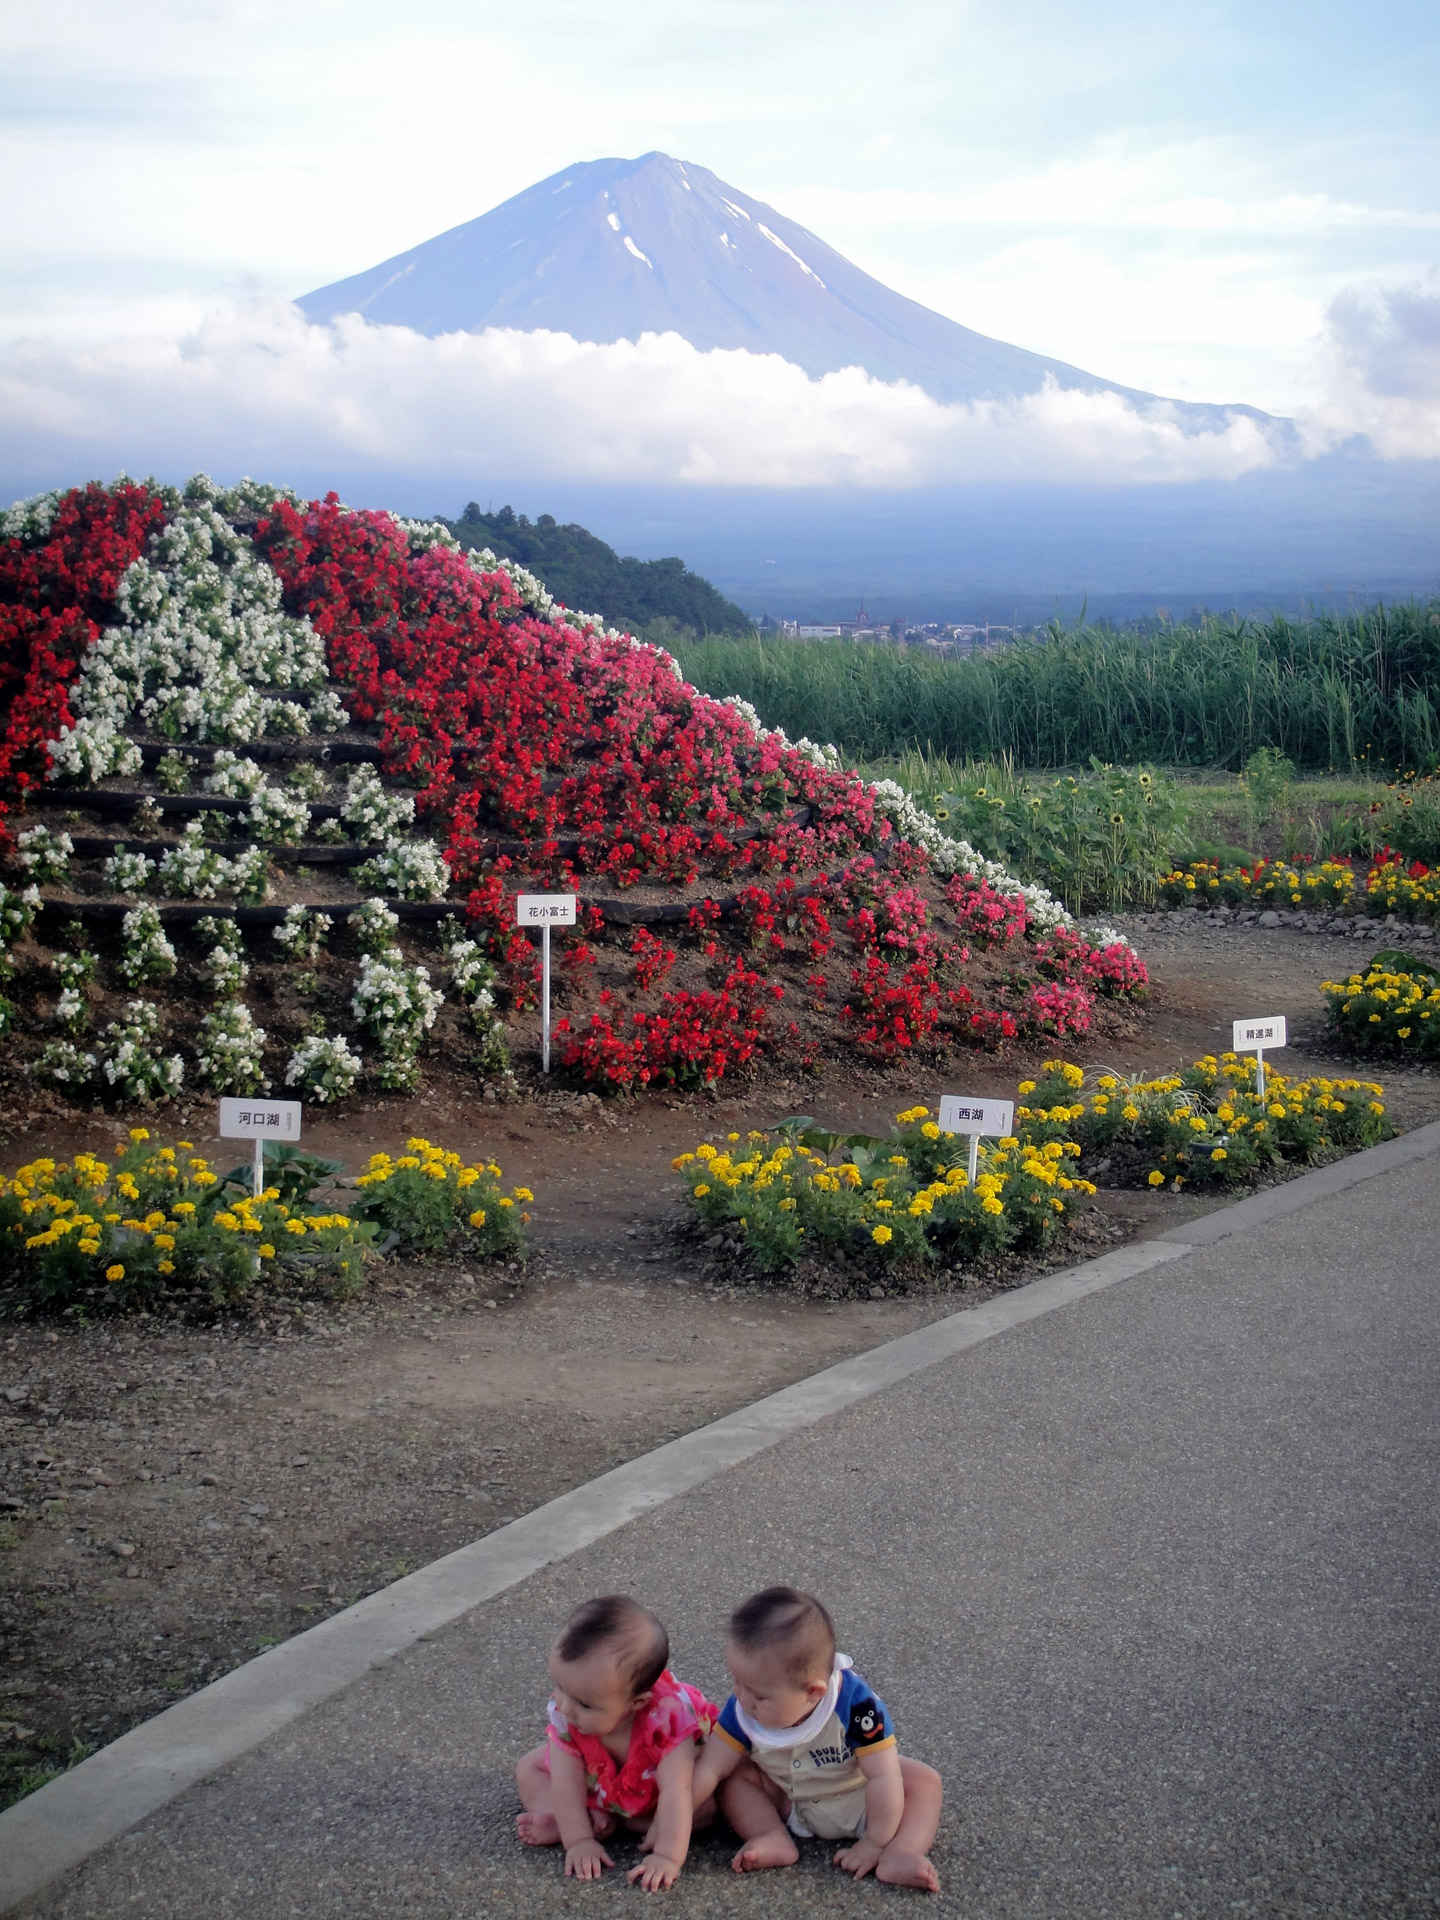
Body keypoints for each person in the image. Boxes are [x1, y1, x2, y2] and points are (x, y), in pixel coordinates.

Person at [692, 1584, 942, 1891]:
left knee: (924, 1783)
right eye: (736, 1681)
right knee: (732, 1776)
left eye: (757, 1694)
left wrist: (875, 1841)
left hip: (860, 1801)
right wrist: (672, 1819)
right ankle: (770, 1834)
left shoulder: (856, 1705)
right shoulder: (743, 1707)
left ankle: (901, 1851)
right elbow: (709, 1768)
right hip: (787, 1799)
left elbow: (883, 1777)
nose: (740, 1697)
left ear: (813, 1693)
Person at [514, 1593, 718, 1890]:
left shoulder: (668, 1720)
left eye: (584, 1704)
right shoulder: (568, 1709)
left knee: (705, 1809)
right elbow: (565, 1779)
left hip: (654, 1797)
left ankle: (614, 1822)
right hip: (602, 1780)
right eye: (559, 1687)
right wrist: (579, 1841)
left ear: (636, 1704)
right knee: (528, 1768)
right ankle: (567, 1818)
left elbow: (678, 1789)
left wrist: (666, 1857)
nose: (565, 1706)